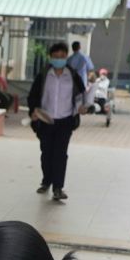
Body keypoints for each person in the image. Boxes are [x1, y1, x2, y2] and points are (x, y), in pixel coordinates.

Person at [27, 42, 89, 202]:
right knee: (46, 153)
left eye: (62, 56)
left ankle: (58, 187)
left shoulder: (73, 76)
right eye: (56, 57)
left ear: (66, 56)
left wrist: (82, 107)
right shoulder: (43, 75)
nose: (59, 59)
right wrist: (33, 111)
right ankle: (46, 180)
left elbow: (81, 96)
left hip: (66, 120)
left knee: (60, 154)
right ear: (50, 57)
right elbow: (33, 96)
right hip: (45, 120)